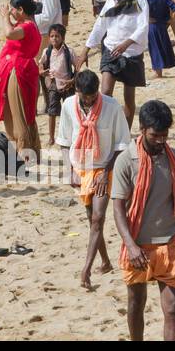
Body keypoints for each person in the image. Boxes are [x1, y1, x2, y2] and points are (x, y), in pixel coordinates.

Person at [111, 100, 175, 341]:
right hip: (138, 246)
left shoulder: (174, 157)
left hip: (169, 242)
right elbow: (118, 208)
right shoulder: (126, 161)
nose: (161, 140)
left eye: (164, 135)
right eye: (155, 135)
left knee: (172, 308)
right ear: (142, 129)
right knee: (136, 304)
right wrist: (130, 245)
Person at [56, 71, 132, 290]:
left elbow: (122, 145)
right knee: (92, 219)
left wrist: (105, 172)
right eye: (86, 96)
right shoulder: (69, 105)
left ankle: (86, 269)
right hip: (80, 167)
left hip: (105, 166)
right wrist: (68, 170)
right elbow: (63, 141)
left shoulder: (112, 106)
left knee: (98, 217)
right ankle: (106, 261)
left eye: (93, 96)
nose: (89, 100)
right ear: (77, 91)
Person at [80, 0, 148, 125]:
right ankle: (104, 128)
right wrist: (85, 51)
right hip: (111, 52)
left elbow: (143, 27)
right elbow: (99, 26)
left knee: (129, 99)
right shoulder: (110, 2)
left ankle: (125, 133)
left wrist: (127, 43)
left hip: (132, 54)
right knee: (105, 94)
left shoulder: (140, 0)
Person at [0, 0, 43, 162]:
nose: (11, 12)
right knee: (22, 112)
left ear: (21, 10)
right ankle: (30, 151)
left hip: (19, 72)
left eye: (13, 9)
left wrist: (5, 16)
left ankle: (23, 153)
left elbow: (9, 33)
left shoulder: (27, 26)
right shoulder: (28, 25)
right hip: (21, 71)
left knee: (18, 114)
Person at [39, 23, 76, 146]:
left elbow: (78, 68)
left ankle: (69, 135)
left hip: (67, 85)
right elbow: (41, 63)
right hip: (53, 84)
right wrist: (41, 72)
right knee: (52, 112)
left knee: (69, 110)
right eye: (52, 36)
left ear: (63, 38)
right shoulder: (47, 51)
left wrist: (72, 80)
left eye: (57, 36)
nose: (54, 39)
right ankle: (51, 137)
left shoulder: (69, 52)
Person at [142, 0, 175, 81]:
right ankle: (163, 68)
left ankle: (158, 73)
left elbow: (140, 11)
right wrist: (170, 18)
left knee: (154, 49)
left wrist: (148, 18)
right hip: (163, 26)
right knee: (163, 46)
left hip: (152, 26)